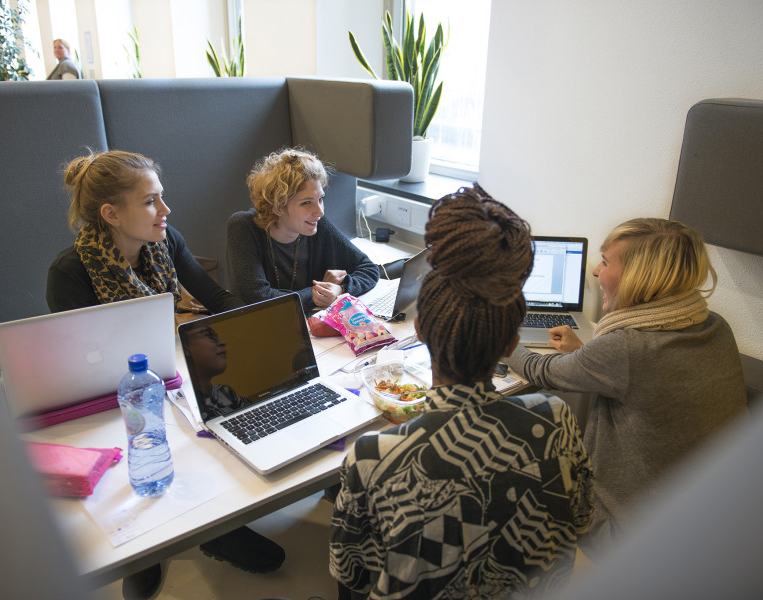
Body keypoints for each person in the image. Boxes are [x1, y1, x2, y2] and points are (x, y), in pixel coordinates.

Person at [329, 185, 594, 599]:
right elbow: (580, 519)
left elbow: (353, 578)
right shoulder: (556, 418)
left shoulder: (373, 456)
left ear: (418, 331)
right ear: (511, 345)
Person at [45, 150, 284, 600]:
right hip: (114, 395)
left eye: (162, 197)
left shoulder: (166, 241)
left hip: (171, 371)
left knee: (225, 415)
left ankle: (214, 525)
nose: (166, 211)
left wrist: (271, 322)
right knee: (147, 440)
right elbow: (82, 366)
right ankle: (147, 547)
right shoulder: (71, 273)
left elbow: (214, 296)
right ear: (112, 214)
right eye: (151, 201)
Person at [503, 217, 748, 558]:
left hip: (632, 532)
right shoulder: (714, 326)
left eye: (604, 261)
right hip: (712, 517)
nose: (595, 273)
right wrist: (585, 354)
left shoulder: (627, 347)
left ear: (639, 276)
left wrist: (501, 336)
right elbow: (647, 378)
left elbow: (540, 370)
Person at [227, 147, 379, 311]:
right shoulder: (243, 227)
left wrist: (340, 289)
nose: (320, 211)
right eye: (306, 203)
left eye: (320, 199)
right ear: (277, 207)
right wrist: (317, 292)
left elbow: (368, 268)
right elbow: (258, 298)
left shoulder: (316, 224)